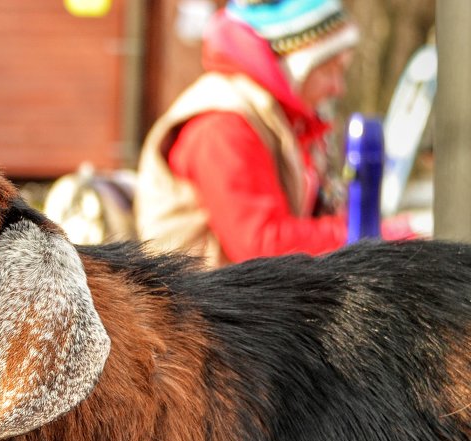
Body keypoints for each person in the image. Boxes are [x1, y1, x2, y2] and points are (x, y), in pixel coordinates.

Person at [135, 0, 408, 268]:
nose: (338, 88)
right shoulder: (222, 125)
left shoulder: (280, 121)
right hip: (197, 306)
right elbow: (261, 245)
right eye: (329, 70)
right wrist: (380, 236)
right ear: (292, 66)